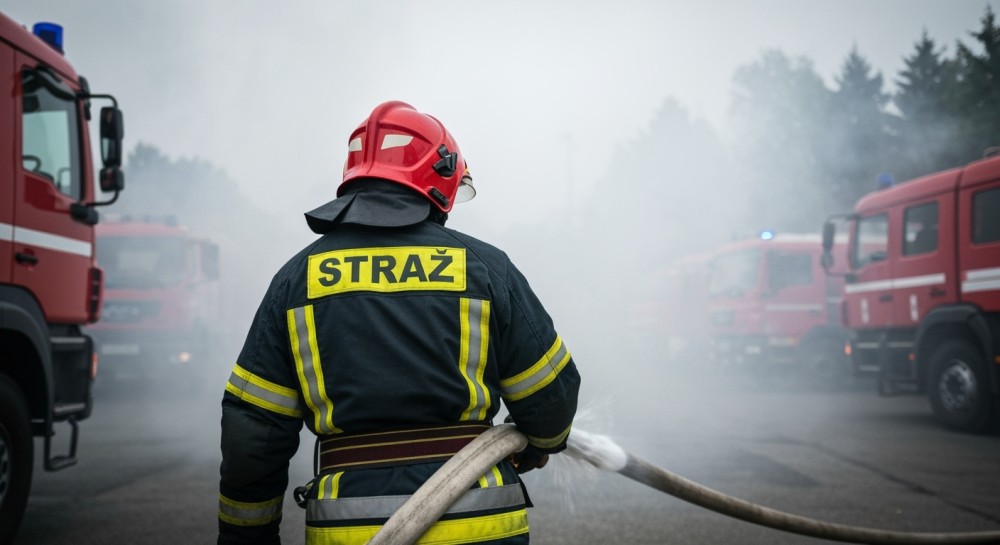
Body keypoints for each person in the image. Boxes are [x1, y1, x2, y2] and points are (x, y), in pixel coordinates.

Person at [218, 100, 581, 545]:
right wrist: (542, 443)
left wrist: (245, 538)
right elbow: (551, 398)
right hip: (480, 524)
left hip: (347, 526)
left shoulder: (297, 281)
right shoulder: (484, 268)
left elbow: (252, 434)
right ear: (440, 177)